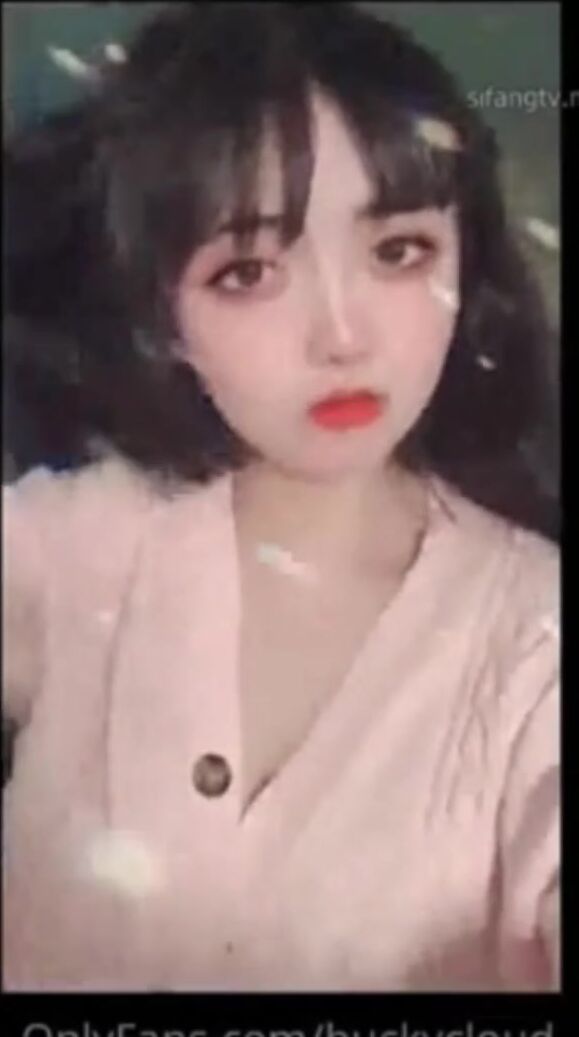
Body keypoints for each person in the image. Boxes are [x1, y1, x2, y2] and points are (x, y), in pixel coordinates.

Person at [2, 1, 559, 992]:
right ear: (159, 311)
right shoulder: (73, 544)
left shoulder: (536, 640)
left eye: (399, 251)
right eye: (249, 270)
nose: (342, 335)